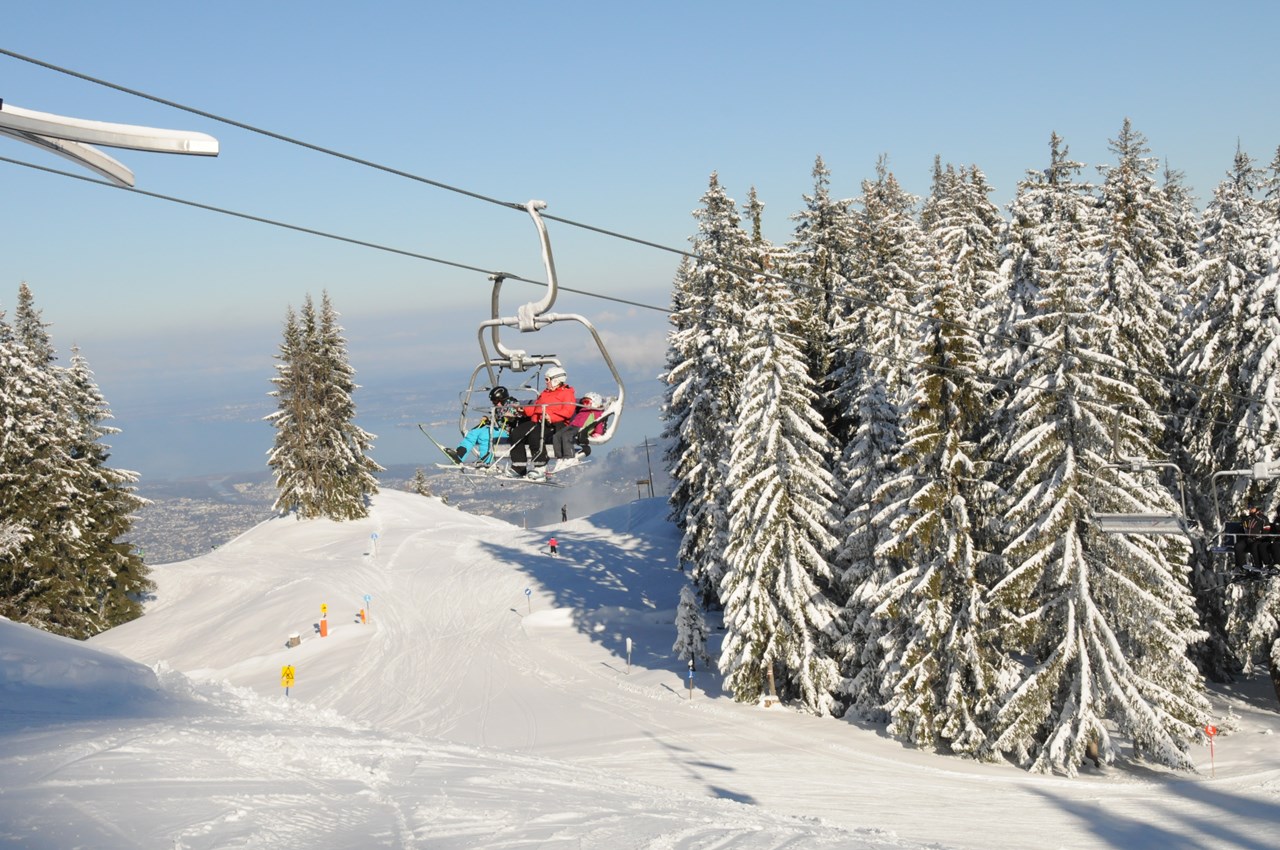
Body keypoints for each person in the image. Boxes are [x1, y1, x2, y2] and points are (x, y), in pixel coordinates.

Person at [507, 366, 576, 480]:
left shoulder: (567, 393)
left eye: (547, 379)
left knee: (535, 435)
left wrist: (551, 417)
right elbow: (536, 409)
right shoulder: (545, 393)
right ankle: (519, 466)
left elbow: (568, 411)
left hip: (555, 423)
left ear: (556, 380)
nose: (546, 382)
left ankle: (540, 466)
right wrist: (522, 409)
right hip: (537, 421)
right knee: (516, 433)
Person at [445, 386, 515, 466]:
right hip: (498, 430)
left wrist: (510, 417)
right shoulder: (498, 408)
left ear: (502, 399)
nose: (495, 403)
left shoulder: (512, 404)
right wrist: (487, 420)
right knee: (473, 433)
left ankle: (485, 461)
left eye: (496, 401)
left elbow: (518, 415)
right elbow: (497, 420)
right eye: (493, 401)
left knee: (485, 435)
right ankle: (459, 455)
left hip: (507, 432)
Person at [551, 392, 606, 467]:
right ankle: (560, 457)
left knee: (566, 436)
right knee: (557, 436)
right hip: (573, 426)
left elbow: (599, 422)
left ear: (594, 403)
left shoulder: (596, 412)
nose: (584, 404)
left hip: (581, 428)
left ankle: (570, 457)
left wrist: (598, 432)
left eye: (587, 402)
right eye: (583, 402)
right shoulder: (583, 410)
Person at [1234, 505, 1267, 573]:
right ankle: (1241, 567)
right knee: (1238, 546)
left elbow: (1266, 532)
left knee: (1254, 547)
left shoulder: (1262, 519)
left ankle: (1258, 567)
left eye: (1252, 508)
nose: (1249, 509)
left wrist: (1257, 537)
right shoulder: (1248, 518)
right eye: (1249, 508)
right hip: (1247, 539)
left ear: (1256, 508)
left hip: (1257, 540)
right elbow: (1243, 529)